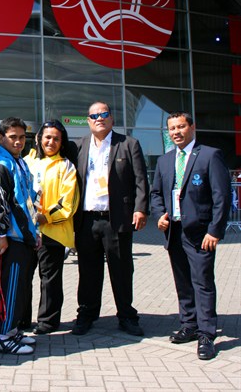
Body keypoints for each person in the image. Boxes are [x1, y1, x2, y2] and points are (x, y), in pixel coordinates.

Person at [150, 111, 232, 360]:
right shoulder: (165, 161)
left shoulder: (209, 155)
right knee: (183, 282)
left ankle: (207, 334)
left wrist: (215, 231)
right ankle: (189, 325)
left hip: (201, 234)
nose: (176, 132)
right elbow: (156, 194)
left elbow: (222, 197)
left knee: (203, 283)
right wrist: (160, 215)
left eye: (181, 127)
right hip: (174, 231)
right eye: (172, 128)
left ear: (192, 127)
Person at [72, 101, 149, 336]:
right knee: (88, 271)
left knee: (122, 269)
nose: (99, 118)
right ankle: (86, 314)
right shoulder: (79, 146)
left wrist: (141, 208)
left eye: (104, 114)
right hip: (87, 220)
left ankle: (126, 315)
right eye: (94, 115)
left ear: (111, 118)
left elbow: (140, 179)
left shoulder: (128, 144)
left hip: (116, 219)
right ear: (88, 120)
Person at [0, 117, 38, 354]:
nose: (18, 142)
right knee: (9, 288)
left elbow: (25, 201)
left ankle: (14, 330)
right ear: (1, 138)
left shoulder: (19, 163)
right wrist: (2, 235)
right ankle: (2, 336)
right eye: (13, 137)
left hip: (24, 236)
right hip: (11, 239)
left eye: (22, 137)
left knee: (19, 289)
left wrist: (34, 232)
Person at [25, 119, 79, 334]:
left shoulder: (66, 166)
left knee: (49, 279)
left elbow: (68, 201)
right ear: (39, 138)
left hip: (53, 232)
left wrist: (46, 217)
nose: (51, 142)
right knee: (24, 277)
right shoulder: (27, 161)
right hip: (26, 232)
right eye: (47, 137)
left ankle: (47, 321)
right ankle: (20, 319)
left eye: (56, 139)